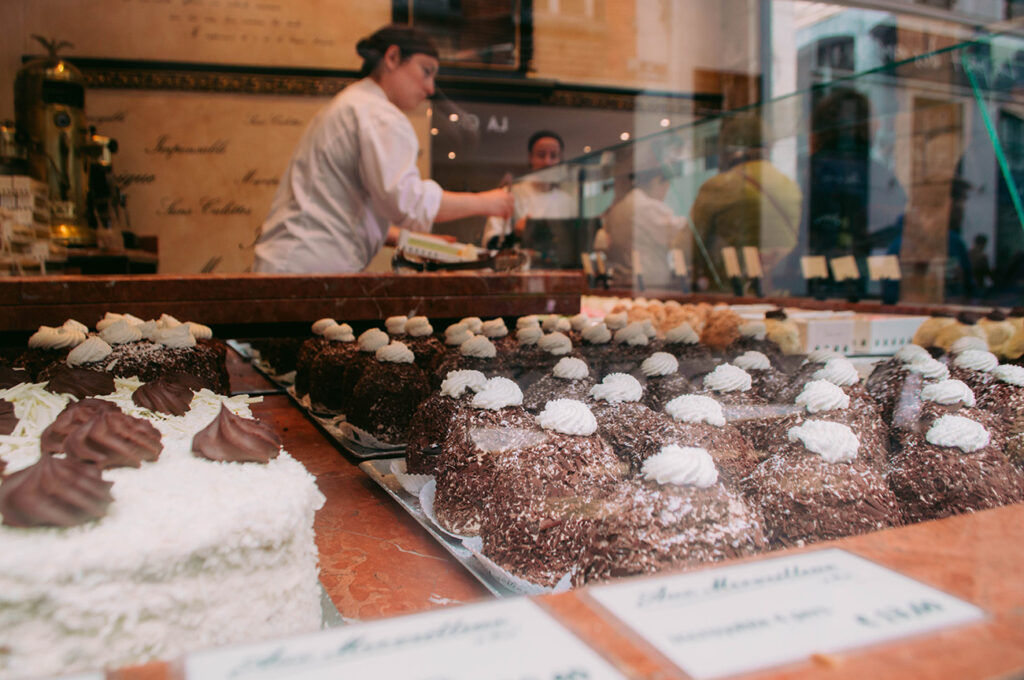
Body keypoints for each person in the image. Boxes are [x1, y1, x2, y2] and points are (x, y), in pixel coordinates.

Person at [253, 25, 513, 273]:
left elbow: (351, 211)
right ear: (392, 57)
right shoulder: (379, 114)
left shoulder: (355, 103)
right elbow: (408, 205)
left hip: (296, 261)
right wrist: (488, 202)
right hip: (309, 266)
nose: (430, 88)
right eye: (426, 71)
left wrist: (427, 245)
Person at [689, 113, 802, 292]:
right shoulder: (790, 186)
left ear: (728, 148)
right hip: (779, 295)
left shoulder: (719, 186)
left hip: (733, 295)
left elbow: (690, 246)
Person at [596, 162, 688, 289]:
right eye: (666, 186)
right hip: (647, 285)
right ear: (656, 181)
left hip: (623, 282)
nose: (666, 192)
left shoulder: (619, 207)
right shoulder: (645, 207)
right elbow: (681, 233)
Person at [480, 130, 576, 249]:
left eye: (553, 156)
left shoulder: (568, 201)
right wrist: (516, 234)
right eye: (541, 155)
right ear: (530, 158)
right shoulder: (509, 194)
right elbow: (490, 243)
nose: (547, 162)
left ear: (560, 160)